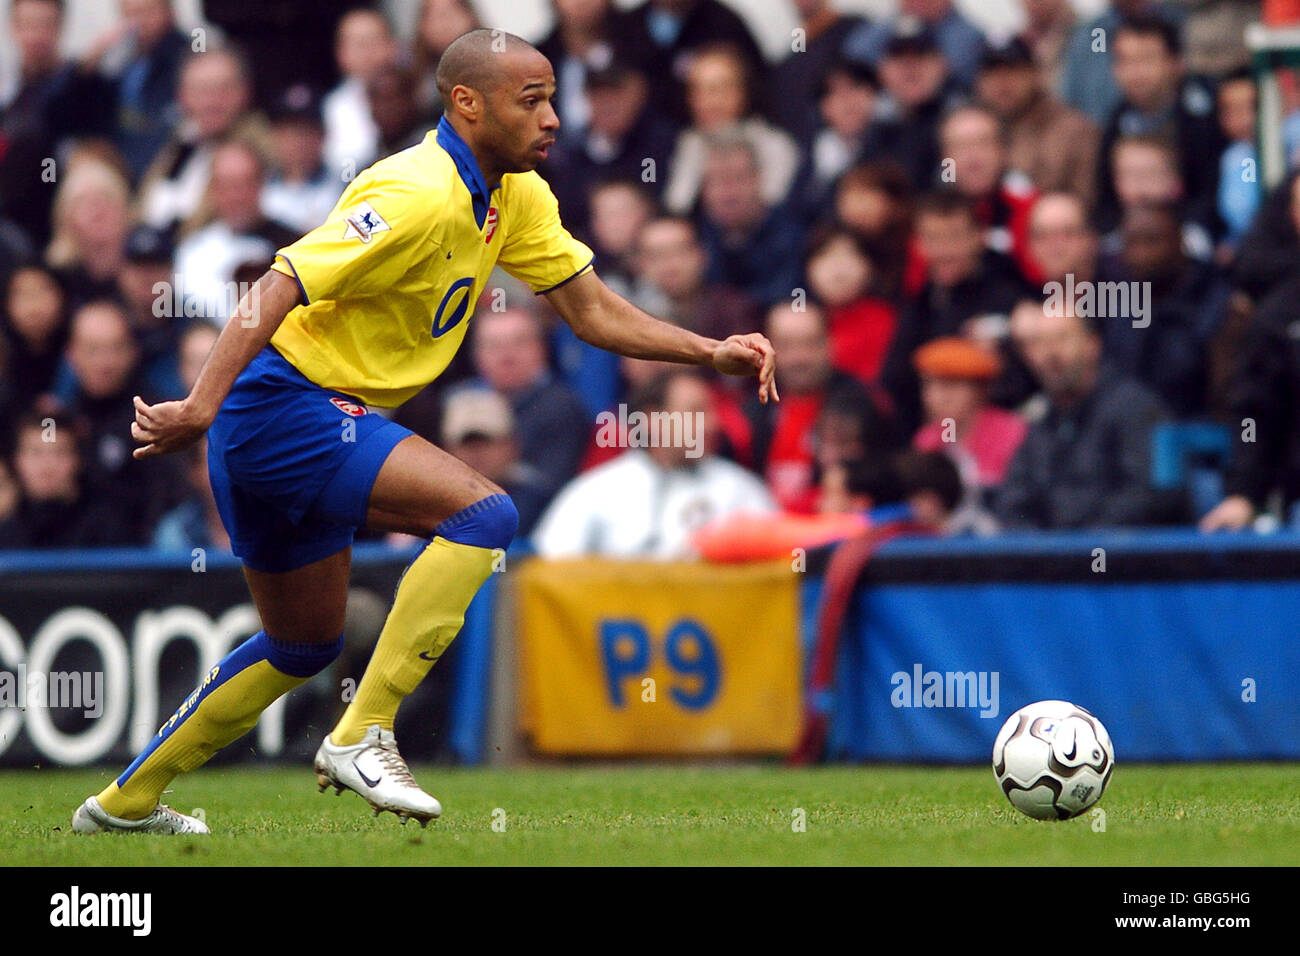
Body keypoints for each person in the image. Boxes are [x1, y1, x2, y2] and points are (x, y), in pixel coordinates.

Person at [73, 29, 776, 835]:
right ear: (466, 104)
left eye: (553, 97)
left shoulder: (515, 194)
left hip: (302, 418)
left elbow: (590, 311)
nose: (553, 117)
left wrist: (708, 348)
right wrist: (199, 403)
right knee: (485, 516)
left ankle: (124, 803)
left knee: (302, 645)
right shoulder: (416, 188)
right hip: (284, 406)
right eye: (532, 99)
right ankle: (363, 730)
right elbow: (279, 282)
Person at [533, 369, 775, 558]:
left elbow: (777, 564)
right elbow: (549, 564)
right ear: (653, 420)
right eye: (695, 412)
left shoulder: (740, 489)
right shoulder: (598, 491)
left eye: (711, 411)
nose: (712, 424)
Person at [995, 302, 1184, 529]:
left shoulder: (1137, 407)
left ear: (1092, 344)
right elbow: (1013, 502)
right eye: (1039, 343)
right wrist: (1040, 549)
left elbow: (1152, 495)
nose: (1050, 353)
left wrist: (1079, 545)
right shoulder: (1041, 421)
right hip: (1053, 558)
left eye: (1062, 338)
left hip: (1125, 556)